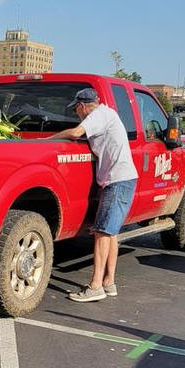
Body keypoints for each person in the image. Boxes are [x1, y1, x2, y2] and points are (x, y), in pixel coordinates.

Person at [46, 88, 138, 302]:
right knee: (111, 234)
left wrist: (50, 139)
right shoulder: (108, 114)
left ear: (83, 105)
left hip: (117, 181)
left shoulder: (98, 115)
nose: (77, 113)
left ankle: (95, 286)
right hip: (122, 179)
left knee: (102, 234)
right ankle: (109, 282)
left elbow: (76, 133)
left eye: (76, 109)